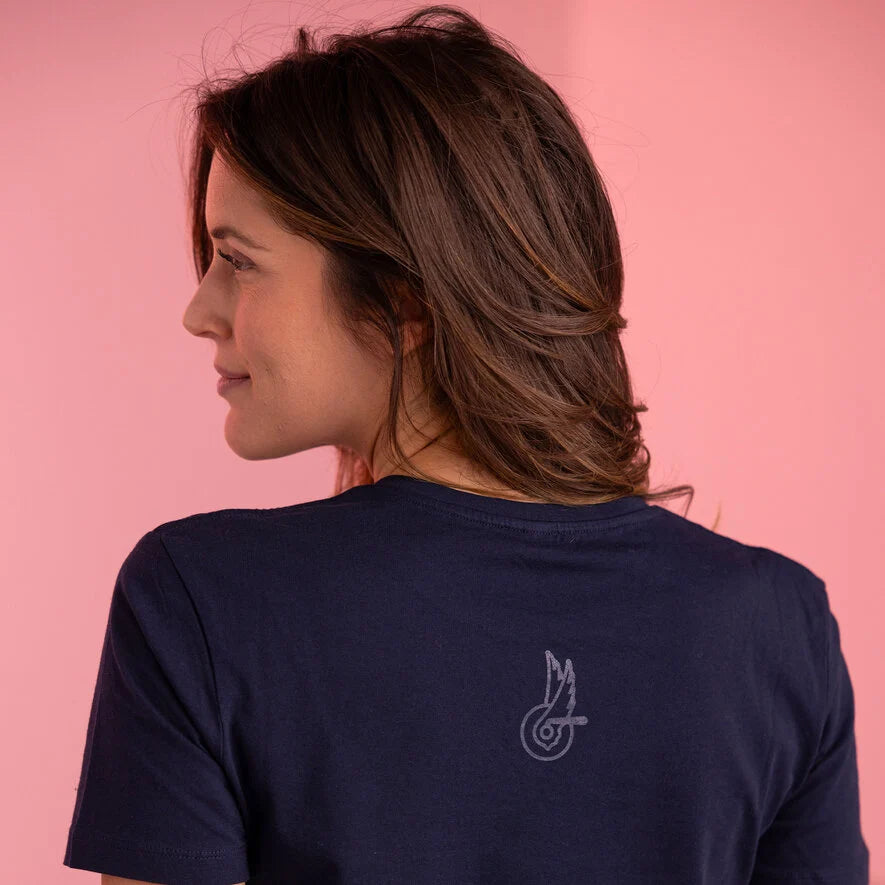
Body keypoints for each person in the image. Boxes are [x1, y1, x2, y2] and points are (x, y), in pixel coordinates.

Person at [62, 6, 869, 884]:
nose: (199, 311)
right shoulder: (778, 627)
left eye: (239, 259)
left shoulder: (204, 600)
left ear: (404, 299)